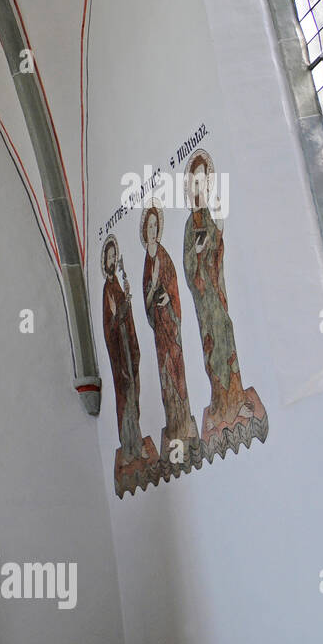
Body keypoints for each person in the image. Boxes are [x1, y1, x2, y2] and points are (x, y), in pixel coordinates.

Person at [182, 151, 255, 435]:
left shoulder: (209, 217)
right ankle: (221, 403)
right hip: (204, 299)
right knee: (214, 344)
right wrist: (197, 253)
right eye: (196, 184)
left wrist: (219, 230)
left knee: (227, 331)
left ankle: (236, 401)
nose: (201, 189)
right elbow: (189, 266)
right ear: (191, 188)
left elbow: (217, 253)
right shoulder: (191, 224)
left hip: (216, 291)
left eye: (204, 182)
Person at [140, 205, 198, 447]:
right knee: (165, 376)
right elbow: (146, 300)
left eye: (155, 225)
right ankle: (174, 426)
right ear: (145, 230)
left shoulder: (163, 256)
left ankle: (184, 423)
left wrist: (169, 299)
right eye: (149, 226)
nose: (153, 230)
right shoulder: (147, 263)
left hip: (171, 326)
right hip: (159, 331)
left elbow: (173, 285)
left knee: (177, 371)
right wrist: (153, 288)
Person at [102, 235, 143, 462]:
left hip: (128, 344)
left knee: (134, 390)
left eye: (113, 256)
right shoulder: (106, 291)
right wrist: (122, 310)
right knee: (125, 394)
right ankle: (128, 446)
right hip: (120, 351)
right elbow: (111, 324)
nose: (112, 260)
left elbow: (124, 316)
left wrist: (126, 299)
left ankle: (136, 442)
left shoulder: (116, 284)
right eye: (109, 257)